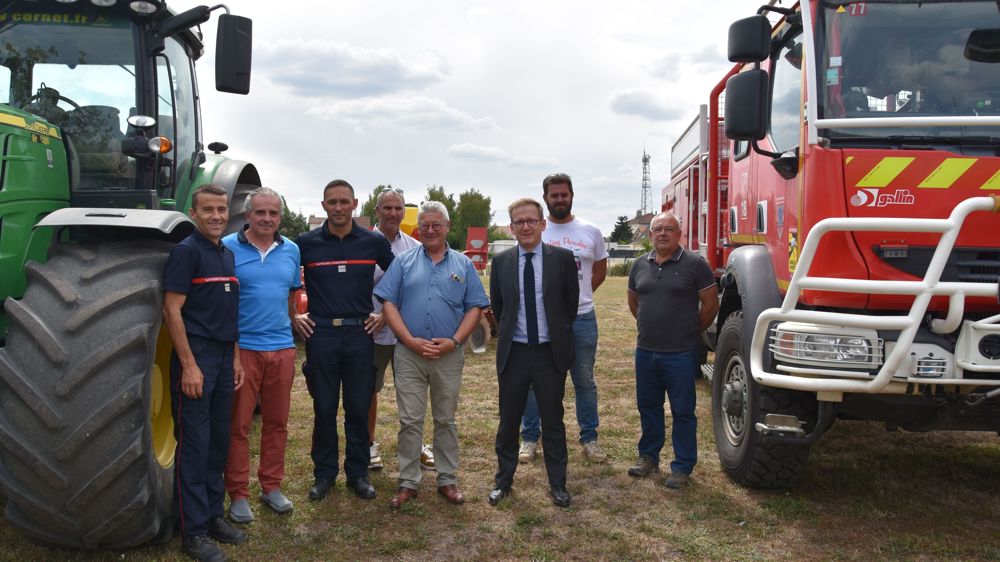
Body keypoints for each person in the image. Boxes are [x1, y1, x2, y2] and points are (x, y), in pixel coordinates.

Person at [374, 201, 489, 509]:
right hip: (409, 354)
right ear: (418, 229)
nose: (431, 230)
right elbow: (388, 304)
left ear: (447, 227)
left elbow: (475, 308)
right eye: (425, 225)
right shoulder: (403, 262)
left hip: (448, 355)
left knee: (446, 420)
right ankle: (408, 481)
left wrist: (454, 341)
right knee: (410, 420)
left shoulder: (463, 265)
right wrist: (409, 340)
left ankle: (447, 478)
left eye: (437, 225)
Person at [293, 179, 394, 502]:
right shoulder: (305, 243)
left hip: (359, 334)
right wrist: (293, 312)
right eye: (331, 202)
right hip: (320, 334)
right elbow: (283, 281)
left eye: (343, 202)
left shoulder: (371, 242)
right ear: (323, 206)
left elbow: (402, 276)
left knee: (357, 406)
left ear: (355, 204)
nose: (338, 207)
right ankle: (324, 475)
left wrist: (385, 315)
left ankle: (357, 473)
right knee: (323, 407)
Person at [163, 184, 247, 562]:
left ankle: (213, 516)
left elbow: (226, 313)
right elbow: (172, 311)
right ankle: (192, 532)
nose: (216, 216)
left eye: (221, 209)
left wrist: (234, 359)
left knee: (217, 443)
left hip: (223, 358)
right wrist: (190, 365)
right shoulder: (186, 253)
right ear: (193, 214)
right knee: (195, 448)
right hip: (195, 359)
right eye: (208, 210)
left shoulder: (226, 255)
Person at [488, 198, 579, 508]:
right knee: (508, 421)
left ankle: (558, 484)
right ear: (512, 228)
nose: (525, 226)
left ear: (543, 224)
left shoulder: (563, 259)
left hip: (548, 354)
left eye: (531, 220)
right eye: (519, 222)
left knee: (553, 421)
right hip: (514, 353)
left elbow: (569, 306)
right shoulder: (501, 262)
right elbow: (498, 307)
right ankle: (503, 481)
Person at [222, 187, 301, 523]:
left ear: (280, 217)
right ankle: (238, 494)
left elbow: (290, 297)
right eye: (260, 213)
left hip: (282, 349)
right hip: (244, 351)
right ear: (248, 214)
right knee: (238, 426)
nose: (267, 219)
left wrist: (294, 320)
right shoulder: (227, 248)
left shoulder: (291, 250)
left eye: (273, 213)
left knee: (277, 423)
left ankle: (271, 487)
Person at [519, 173, 609, 464]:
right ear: (545, 198)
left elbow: (599, 269)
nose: (560, 199)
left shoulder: (590, 231)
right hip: (543, 321)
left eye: (564, 194)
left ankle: (589, 438)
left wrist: (575, 298)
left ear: (572, 195)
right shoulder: (538, 231)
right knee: (536, 380)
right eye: (554, 195)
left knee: (584, 379)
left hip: (582, 318)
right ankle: (530, 438)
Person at [626, 212, 719, 489]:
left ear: (680, 234)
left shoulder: (695, 264)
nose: (663, 233)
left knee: (682, 410)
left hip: (680, 353)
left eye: (669, 229)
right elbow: (634, 302)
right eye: (657, 229)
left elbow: (710, 304)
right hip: (646, 351)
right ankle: (648, 457)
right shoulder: (640, 264)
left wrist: (690, 331)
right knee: (648, 407)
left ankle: (681, 466)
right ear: (651, 235)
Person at [368, 188, 435, 472]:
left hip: (406, 332)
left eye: (398, 208)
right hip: (372, 332)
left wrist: (389, 313)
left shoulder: (413, 246)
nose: (393, 213)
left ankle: (416, 445)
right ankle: (368, 444)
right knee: (368, 390)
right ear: (377, 211)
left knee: (411, 391)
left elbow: (416, 286)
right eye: (387, 208)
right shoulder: (364, 243)